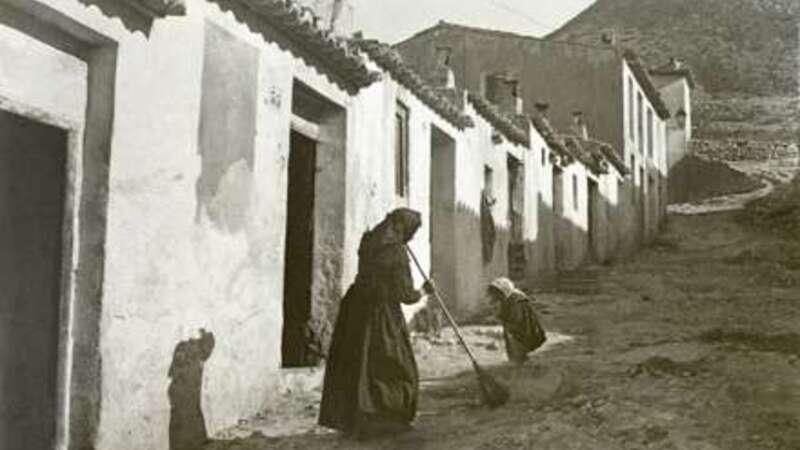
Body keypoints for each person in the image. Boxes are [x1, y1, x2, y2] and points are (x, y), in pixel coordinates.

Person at [318, 208, 433, 439]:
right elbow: (404, 294)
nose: (410, 237)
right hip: (381, 313)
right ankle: (387, 420)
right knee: (394, 365)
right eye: (411, 232)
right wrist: (424, 291)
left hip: (356, 309)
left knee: (358, 364)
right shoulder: (397, 253)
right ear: (405, 229)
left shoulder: (368, 240)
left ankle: (354, 421)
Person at [487, 277, 547, 365]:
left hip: (523, 326)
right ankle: (516, 359)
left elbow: (517, 319)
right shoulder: (508, 298)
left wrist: (504, 320)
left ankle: (520, 360)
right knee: (512, 339)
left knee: (518, 340)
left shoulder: (517, 301)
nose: (495, 296)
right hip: (515, 325)